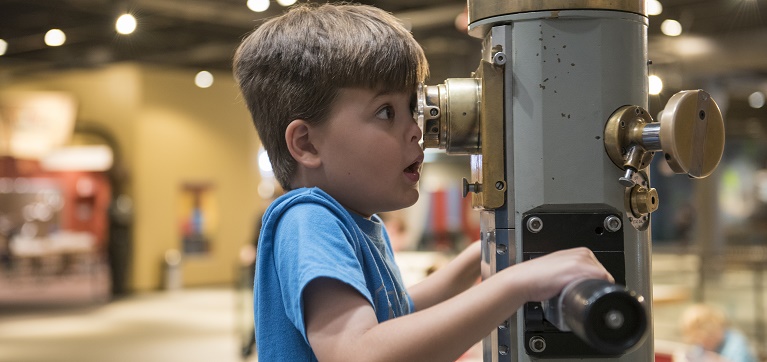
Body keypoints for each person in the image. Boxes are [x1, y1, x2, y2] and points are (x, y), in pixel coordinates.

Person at [233, 3, 613, 361]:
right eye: (386, 112)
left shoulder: (354, 221)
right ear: (307, 143)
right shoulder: (308, 220)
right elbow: (360, 352)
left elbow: (400, 310)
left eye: (411, 109)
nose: (417, 130)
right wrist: (518, 284)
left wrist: (483, 256)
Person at [681, 304, 758, 362]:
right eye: (698, 339)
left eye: (708, 339)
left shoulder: (736, 343)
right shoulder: (702, 345)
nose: (704, 344)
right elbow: (695, 355)